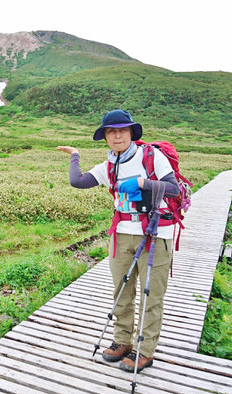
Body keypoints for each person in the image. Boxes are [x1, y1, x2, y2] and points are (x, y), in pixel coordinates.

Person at [56, 109, 179, 373]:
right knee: (121, 291)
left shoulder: (151, 156)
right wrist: (75, 155)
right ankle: (122, 341)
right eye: (111, 131)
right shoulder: (109, 165)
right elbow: (77, 181)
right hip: (121, 233)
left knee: (151, 296)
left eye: (122, 130)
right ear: (106, 137)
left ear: (132, 132)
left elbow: (174, 188)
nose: (117, 135)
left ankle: (144, 351)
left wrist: (143, 182)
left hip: (156, 233)